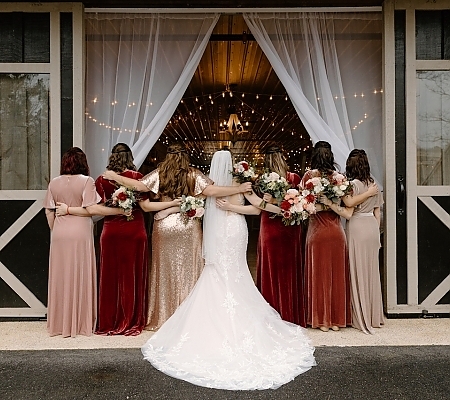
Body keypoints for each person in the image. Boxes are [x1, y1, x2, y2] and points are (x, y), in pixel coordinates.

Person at [141, 150, 316, 390]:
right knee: (229, 271)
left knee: (230, 270)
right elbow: (254, 208)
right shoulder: (235, 184)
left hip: (229, 229)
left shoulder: (214, 184)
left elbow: (242, 208)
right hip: (233, 230)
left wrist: (228, 208)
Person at [103, 143, 252, 330]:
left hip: (164, 227)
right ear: (185, 157)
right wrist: (238, 189)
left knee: (164, 272)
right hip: (188, 226)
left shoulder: (160, 173)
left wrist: (114, 176)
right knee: (190, 271)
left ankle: (164, 316)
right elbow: (212, 192)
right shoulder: (192, 174)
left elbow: (139, 186)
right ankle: (189, 317)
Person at [43, 147, 125, 337]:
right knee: (80, 273)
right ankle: (80, 323)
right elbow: (92, 209)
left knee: (61, 275)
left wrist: (55, 228)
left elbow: (49, 210)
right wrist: (119, 211)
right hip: (80, 231)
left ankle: (59, 324)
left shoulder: (54, 183)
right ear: (83, 163)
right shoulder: (86, 181)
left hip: (60, 232)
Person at [256, 145, 306, 326]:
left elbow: (259, 205)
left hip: (269, 225)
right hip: (290, 227)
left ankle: (271, 314)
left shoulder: (262, 180)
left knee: (271, 269)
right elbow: (301, 201)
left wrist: (272, 202)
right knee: (289, 269)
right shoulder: (294, 178)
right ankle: (290, 313)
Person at [343, 149, 384, 334]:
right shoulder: (373, 184)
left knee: (357, 269)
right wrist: (376, 230)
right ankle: (374, 315)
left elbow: (350, 204)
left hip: (358, 225)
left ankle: (359, 314)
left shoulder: (351, 185)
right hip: (371, 226)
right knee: (371, 271)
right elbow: (378, 212)